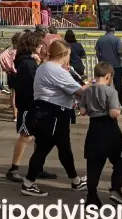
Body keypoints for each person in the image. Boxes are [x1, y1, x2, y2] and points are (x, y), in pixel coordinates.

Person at [21, 40, 89, 197]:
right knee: (46, 148)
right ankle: (28, 182)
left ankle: (75, 180)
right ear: (63, 55)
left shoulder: (45, 66)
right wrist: (93, 84)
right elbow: (79, 92)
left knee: (62, 147)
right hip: (54, 113)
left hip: (49, 111)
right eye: (69, 55)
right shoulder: (55, 70)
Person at [7, 31, 58, 182]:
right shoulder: (27, 63)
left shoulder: (27, 61)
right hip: (28, 104)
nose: (41, 47)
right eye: (40, 45)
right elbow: (34, 82)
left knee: (39, 137)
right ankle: (14, 168)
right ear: (34, 46)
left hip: (33, 104)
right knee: (26, 136)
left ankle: (37, 167)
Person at [80, 62, 122, 206]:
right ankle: (115, 189)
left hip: (94, 129)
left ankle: (92, 196)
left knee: (93, 164)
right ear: (108, 76)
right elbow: (113, 113)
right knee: (119, 160)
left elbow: (82, 112)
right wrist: (119, 110)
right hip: (110, 128)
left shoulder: (87, 92)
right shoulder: (111, 92)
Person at [95, 25, 122, 108]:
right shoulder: (117, 39)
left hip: (104, 66)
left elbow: (97, 53)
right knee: (118, 85)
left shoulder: (100, 39)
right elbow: (119, 51)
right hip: (116, 65)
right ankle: (121, 103)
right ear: (113, 29)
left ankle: (104, 103)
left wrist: (100, 60)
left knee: (104, 86)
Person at [0, 32, 21, 117]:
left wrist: (4, 67)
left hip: (10, 73)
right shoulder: (19, 50)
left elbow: (0, 57)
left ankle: (14, 114)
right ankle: (18, 112)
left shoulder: (9, 49)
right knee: (19, 93)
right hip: (18, 72)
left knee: (13, 94)